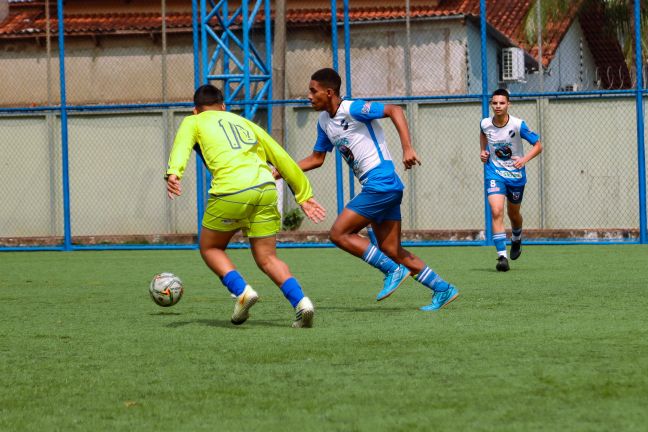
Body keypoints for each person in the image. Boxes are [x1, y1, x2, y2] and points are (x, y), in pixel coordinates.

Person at [276, 68, 459, 311]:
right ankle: (443, 289)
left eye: (313, 91)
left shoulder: (351, 109)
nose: (308, 96)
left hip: (381, 183)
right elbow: (316, 158)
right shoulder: (323, 122)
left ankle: (392, 270)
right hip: (382, 187)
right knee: (390, 248)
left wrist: (407, 148)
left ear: (329, 92)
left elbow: (394, 110)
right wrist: (284, 170)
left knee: (339, 234)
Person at [165, 84, 326, 328]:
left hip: (232, 190)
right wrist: (303, 194)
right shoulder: (245, 123)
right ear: (223, 106)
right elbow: (280, 156)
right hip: (266, 188)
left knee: (210, 248)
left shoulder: (193, 121)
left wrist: (174, 173)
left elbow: (182, 146)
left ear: (195, 110)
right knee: (267, 257)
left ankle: (241, 291)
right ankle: (302, 303)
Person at [480, 88, 543, 272]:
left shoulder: (517, 124)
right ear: (491, 104)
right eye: (495, 103)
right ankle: (502, 256)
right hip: (494, 173)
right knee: (496, 210)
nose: (498, 106)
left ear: (508, 104)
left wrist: (523, 160)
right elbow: (483, 135)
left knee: (513, 215)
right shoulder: (485, 123)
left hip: (516, 177)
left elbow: (538, 145)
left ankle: (516, 237)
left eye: (502, 103)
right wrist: (483, 152)